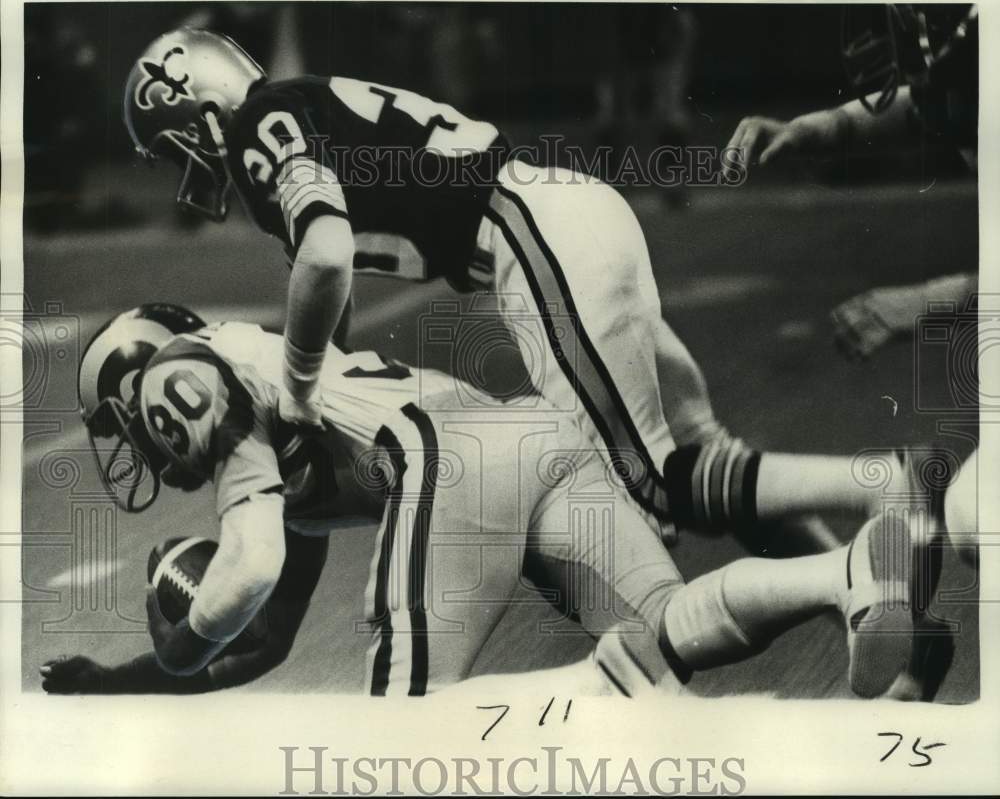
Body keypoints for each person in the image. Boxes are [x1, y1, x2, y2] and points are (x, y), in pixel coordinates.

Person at [122, 28, 919, 554]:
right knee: (702, 455)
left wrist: (295, 392)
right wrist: (329, 380)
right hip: (561, 211)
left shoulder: (266, 122)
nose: (183, 167)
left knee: (644, 501)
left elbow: (326, 256)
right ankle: (854, 580)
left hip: (527, 232)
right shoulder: (294, 104)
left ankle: (894, 481)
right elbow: (331, 281)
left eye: (173, 144)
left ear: (197, 107)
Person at [44, 303, 934, 698]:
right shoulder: (271, 455)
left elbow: (244, 578)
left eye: (122, 426)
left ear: (144, 374)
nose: (135, 447)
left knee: (397, 739)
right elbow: (269, 635)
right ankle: (848, 572)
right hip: (527, 438)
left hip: (448, 464)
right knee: (661, 633)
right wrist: (123, 681)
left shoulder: (184, 372)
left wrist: (182, 633)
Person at [724, 4, 980, 700]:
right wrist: (804, 130)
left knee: (976, 516)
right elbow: (920, 106)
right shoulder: (971, 72)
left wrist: (926, 298)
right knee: (950, 493)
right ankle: (907, 664)